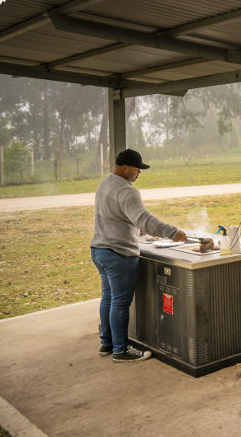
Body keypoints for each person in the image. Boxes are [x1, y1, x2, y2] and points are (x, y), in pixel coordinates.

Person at [90, 149, 187, 362]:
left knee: (109, 297)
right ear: (124, 167)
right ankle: (121, 350)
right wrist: (173, 232)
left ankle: (107, 343)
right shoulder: (127, 190)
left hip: (99, 250)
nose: (138, 173)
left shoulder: (105, 183)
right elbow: (143, 219)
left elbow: (115, 216)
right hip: (118, 254)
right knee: (120, 302)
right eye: (136, 169)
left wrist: (136, 231)